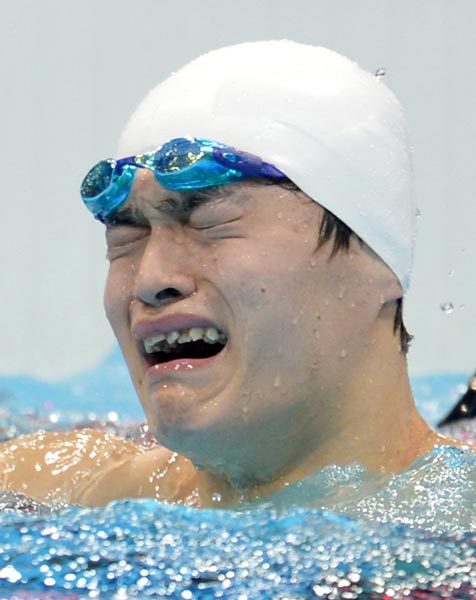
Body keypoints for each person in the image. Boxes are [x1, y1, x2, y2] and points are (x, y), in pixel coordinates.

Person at [0, 40, 467, 508]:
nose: (149, 279)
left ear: (372, 257)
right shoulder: (47, 488)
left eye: (210, 223)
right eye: (128, 237)